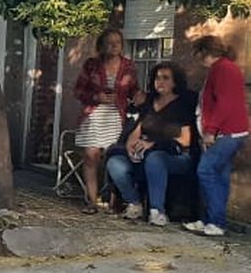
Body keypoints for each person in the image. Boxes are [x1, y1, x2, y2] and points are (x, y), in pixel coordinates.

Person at [104, 61, 196, 225]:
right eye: (157, 78)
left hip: (176, 155)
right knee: (115, 162)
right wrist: (131, 147)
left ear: (176, 81)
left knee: (155, 159)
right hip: (143, 153)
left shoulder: (183, 104)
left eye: (166, 78)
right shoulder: (149, 103)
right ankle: (134, 202)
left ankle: (157, 211)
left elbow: (185, 140)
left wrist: (154, 144)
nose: (160, 82)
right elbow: (137, 130)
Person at [185, 34, 249, 237]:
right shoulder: (223, 68)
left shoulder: (223, 69)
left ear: (204, 52)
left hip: (226, 133)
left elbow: (224, 103)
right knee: (219, 176)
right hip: (228, 132)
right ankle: (210, 220)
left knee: (206, 171)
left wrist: (211, 130)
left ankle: (216, 221)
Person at [72, 28, 139, 214]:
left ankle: (112, 201)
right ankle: (92, 201)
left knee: (112, 156)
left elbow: (134, 90)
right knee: (91, 156)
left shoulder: (129, 66)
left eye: (117, 42)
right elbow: (78, 90)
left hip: (116, 116)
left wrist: (139, 97)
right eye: (109, 42)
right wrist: (96, 96)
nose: (114, 46)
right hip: (93, 115)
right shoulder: (92, 65)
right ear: (101, 45)